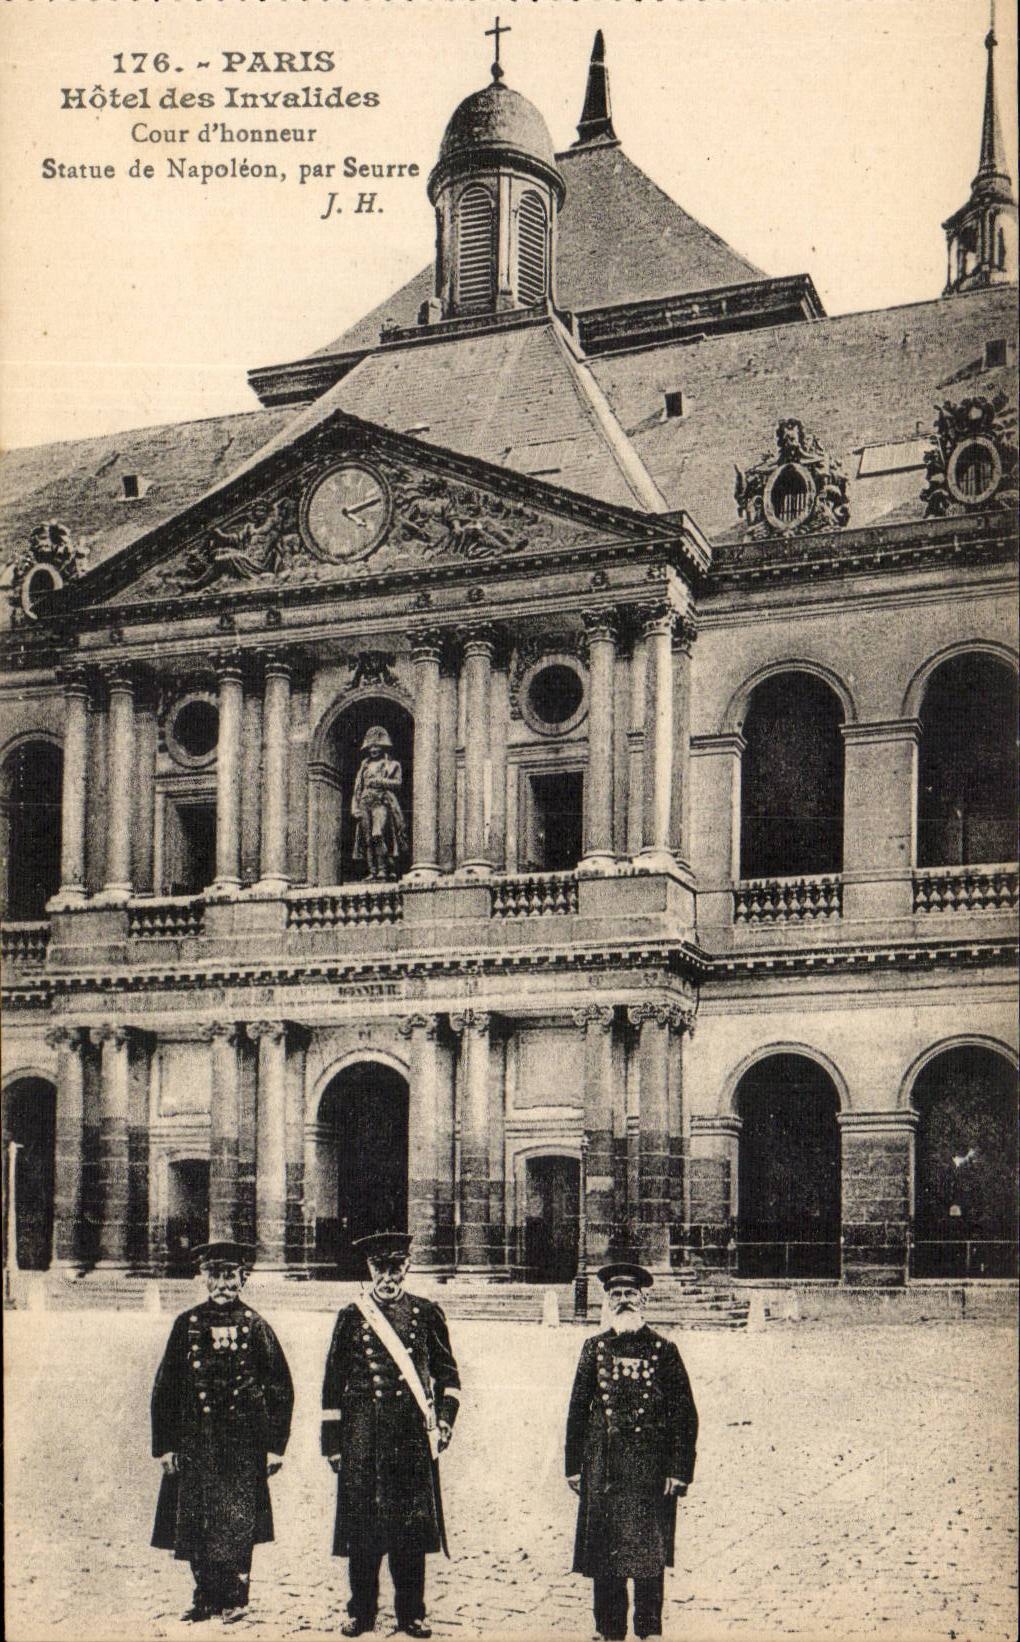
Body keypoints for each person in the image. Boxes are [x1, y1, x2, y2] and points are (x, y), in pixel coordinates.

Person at [321, 1231, 461, 1638]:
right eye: (380, 1268)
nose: (388, 1276)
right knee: (362, 1527)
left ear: (407, 1267)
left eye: (395, 1267)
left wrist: (446, 1420)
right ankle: (360, 1612)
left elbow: (448, 1378)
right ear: (369, 1270)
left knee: (410, 1529)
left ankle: (411, 1612)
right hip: (363, 1435)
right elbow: (333, 1383)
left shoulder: (426, 1312)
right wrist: (333, 1443)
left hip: (410, 1436)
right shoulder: (351, 1316)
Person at [150, 1241, 295, 1625]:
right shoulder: (187, 1324)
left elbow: (281, 1388)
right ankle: (204, 1596)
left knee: (236, 1522)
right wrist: (164, 1446)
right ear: (203, 1278)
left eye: (230, 1276)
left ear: (243, 1279)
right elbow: (165, 1388)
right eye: (215, 1275)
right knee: (195, 1519)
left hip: (243, 1444)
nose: (222, 1284)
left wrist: (275, 1447)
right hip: (195, 1442)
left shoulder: (256, 1325)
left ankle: (235, 1596)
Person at [565, 1263, 698, 1641]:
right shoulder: (594, 1348)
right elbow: (577, 1409)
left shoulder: (665, 1350)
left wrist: (679, 1469)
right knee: (604, 1552)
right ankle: (609, 1629)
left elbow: (684, 1415)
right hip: (603, 1466)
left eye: (630, 1294)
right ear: (607, 1301)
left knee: (648, 1553)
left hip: (649, 1468)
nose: (623, 1301)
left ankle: (649, 1629)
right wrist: (573, 1466)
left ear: (645, 1299)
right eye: (616, 1295)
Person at [351, 726, 407, 880]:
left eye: (376, 746)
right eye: (370, 746)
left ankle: (384, 869)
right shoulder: (364, 765)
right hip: (364, 802)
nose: (373, 749)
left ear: (383, 747)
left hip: (381, 801)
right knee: (367, 839)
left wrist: (380, 781)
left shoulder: (392, 764)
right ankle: (373, 871)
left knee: (378, 833)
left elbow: (398, 783)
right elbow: (358, 787)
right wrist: (354, 807)